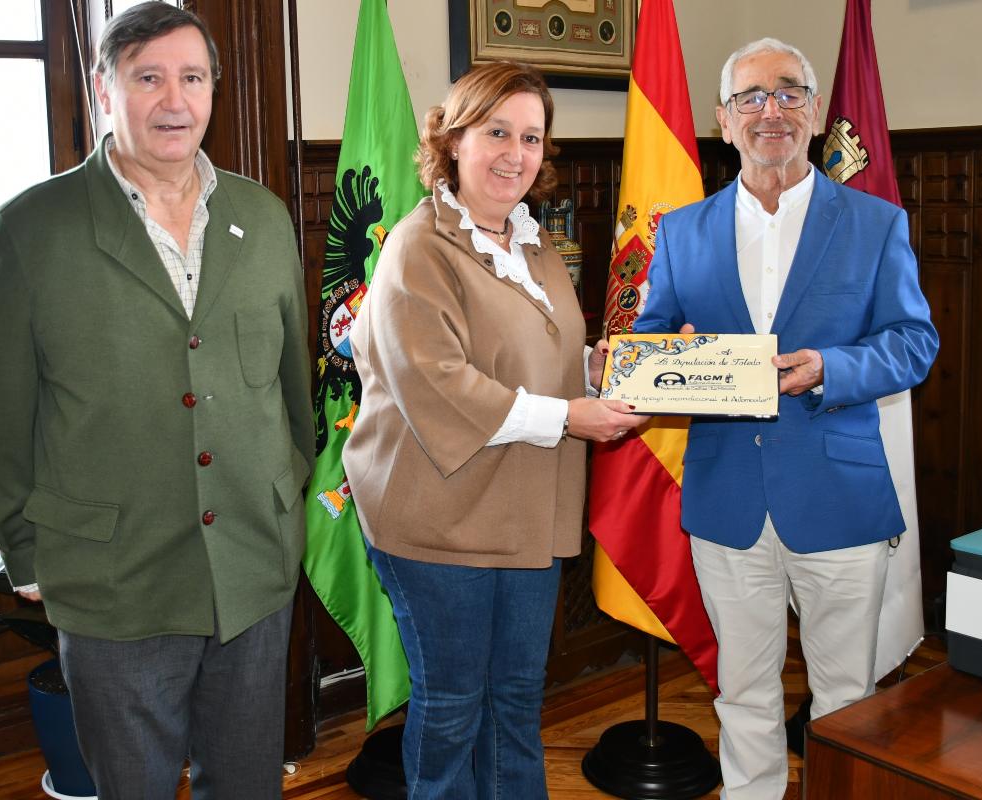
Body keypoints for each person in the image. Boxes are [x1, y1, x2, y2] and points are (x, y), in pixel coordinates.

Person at [0, 3, 312, 798]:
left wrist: (278, 500)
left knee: (248, 783)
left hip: (252, 573)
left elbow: (292, 395)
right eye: (147, 78)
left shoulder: (260, 218)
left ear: (213, 91)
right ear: (103, 90)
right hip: (111, 580)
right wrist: (29, 551)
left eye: (191, 78)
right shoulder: (31, 229)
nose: (173, 101)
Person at [634, 38, 938, 799]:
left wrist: (833, 368)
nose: (769, 110)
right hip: (727, 499)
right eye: (749, 98)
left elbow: (913, 343)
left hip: (839, 499)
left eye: (787, 92)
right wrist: (659, 356)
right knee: (741, 693)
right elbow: (648, 341)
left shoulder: (874, 223)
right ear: (721, 120)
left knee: (845, 700)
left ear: (813, 111)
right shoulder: (680, 231)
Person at [342, 61, 641, 799]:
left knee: (513, 700)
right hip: (438, 518)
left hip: (522, 512)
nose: (515, 153)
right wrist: (572, 416)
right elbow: (441, 385)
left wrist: (621, 369)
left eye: (531, 137)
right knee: (450, 707)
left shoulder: (534, 244)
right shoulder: (420, 247)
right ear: (452, 141)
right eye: (496, 132)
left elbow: (544, 355)